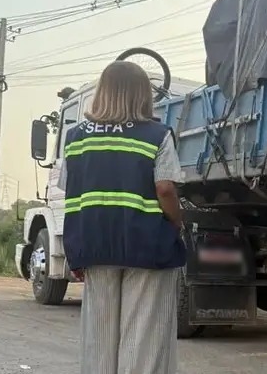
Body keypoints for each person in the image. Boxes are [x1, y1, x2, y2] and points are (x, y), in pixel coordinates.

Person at [60, 60, 186, 374]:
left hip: (95, 247)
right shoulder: (157, 134)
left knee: (98, 343)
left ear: (102, 92)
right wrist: (176, 222)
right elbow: (166, 188)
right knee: (142, 340)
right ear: (143, 95)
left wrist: (74, 252)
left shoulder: (76, 137)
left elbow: (70, 190)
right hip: (147, 245)